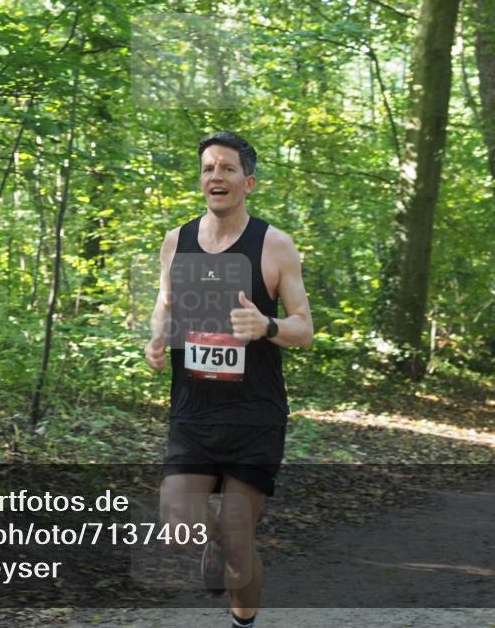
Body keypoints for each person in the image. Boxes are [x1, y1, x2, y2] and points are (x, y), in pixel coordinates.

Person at [145, 131, 313, 628]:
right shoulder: (177, 241)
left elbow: (304, 326)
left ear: (249, 182)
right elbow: (166, 304)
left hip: (254, 414)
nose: (215, 176)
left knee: (241, 544)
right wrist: (157, 337)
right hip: (193, 410)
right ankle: (213, 544)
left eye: (227, 168)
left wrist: (268, 326)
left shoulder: (274, 244)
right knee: (178, 522)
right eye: (207, 168)